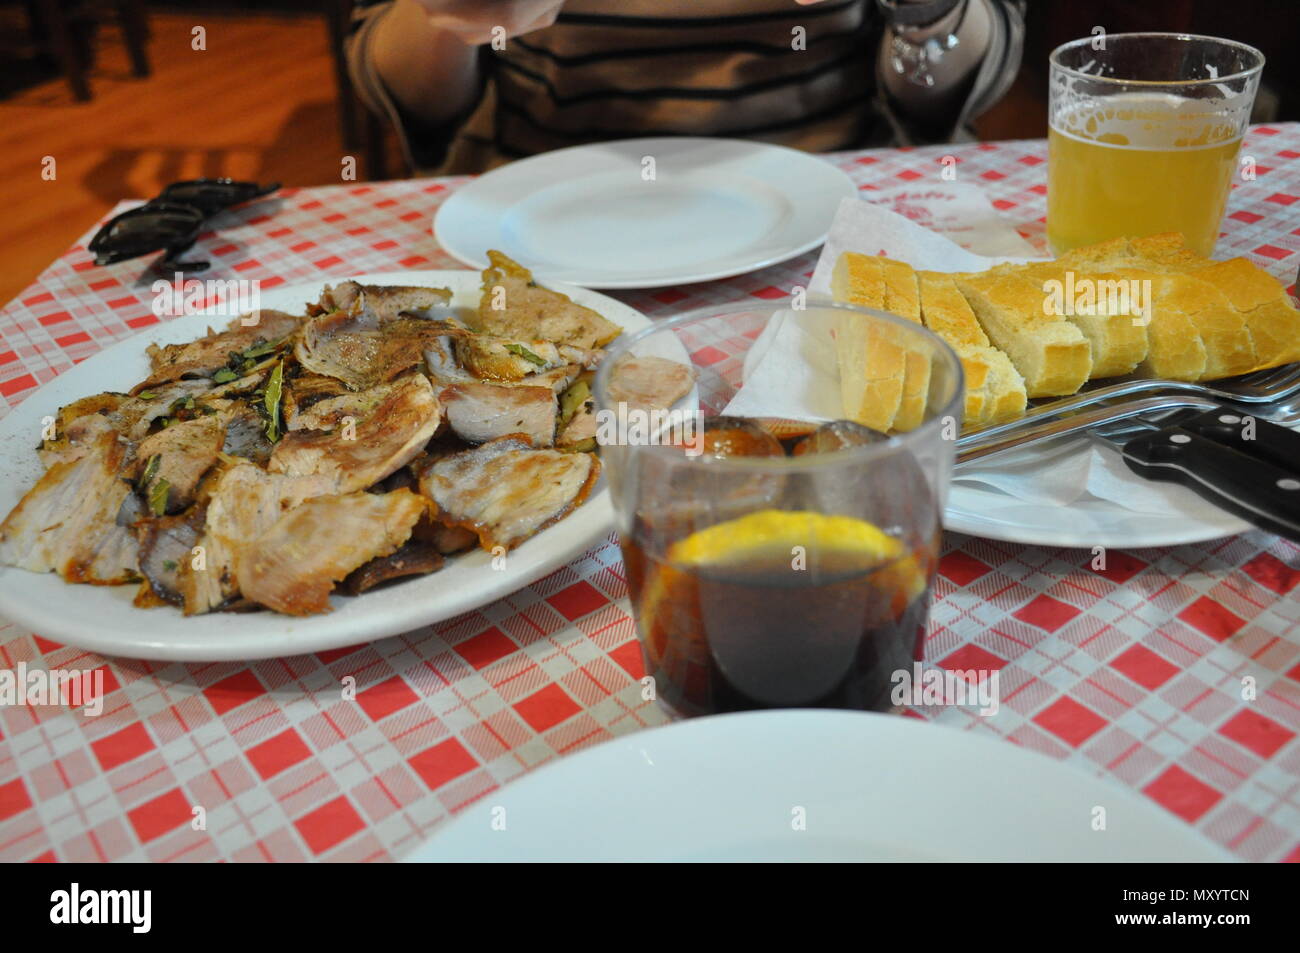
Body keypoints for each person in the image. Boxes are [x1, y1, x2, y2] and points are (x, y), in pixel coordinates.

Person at [347, 0, 1025, 175]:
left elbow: (956, 91)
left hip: (836, 208)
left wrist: (926, 12)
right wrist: (448, 19)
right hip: (540, 215)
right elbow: (402, 94)